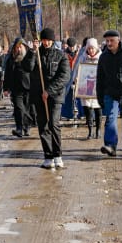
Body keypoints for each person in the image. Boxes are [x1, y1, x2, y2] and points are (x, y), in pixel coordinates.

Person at [22, 27, 70, 169]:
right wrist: (32, 51)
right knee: (43, 125)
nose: (46, 42)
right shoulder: (36, 53)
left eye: (48, 40)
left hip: (55, 95)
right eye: (44, 40)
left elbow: (64, 76)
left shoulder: (60, 55)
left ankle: (58, 155)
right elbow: (27, 68)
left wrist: (49, 90)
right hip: (38, 95)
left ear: (52, 40)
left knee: (53, 124)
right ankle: (48, 156)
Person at [97, 30, 122, 156]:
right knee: (110, 118)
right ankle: (110, 145)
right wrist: (99, 96)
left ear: (118, 40)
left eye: (111, 40)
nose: (109, 43)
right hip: (110, 93)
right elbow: (100, 78)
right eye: (107, 41)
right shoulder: (103, 57)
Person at [73, 38, 102, 139]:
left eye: (92, 48)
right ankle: (90, 131)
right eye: (89, 48)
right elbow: (77, 70)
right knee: (88, 110)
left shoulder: (101, 58)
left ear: (96, 48)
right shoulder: (83, 58)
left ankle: (98, 130)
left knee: (98, 110)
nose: (91, 50)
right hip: (86, 88)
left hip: (98, 89)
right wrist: (76, 79)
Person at [3, 37, 32, 137]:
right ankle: (19, 128)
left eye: (21, 47)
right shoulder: (11, 59)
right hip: (15, 88)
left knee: (27, 109)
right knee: (18, 108)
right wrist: (5, 88)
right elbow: (7, 74)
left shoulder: (29, 58)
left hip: (28, 87)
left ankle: (26, 127)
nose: (19, 49)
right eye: (17, 47)